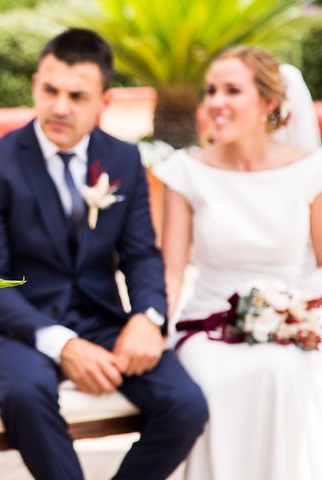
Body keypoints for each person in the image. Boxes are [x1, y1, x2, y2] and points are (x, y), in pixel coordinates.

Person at [0, 28, 208, 480]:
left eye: (77, 96)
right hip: (15, 328)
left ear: (104, 102)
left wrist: (148, 318)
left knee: (186, 406)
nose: (60, 107)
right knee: (25, 393)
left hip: (102, 321)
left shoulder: (124, 160)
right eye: (50, 90)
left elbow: (141, 256)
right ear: (36, 84)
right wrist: (63, 344)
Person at [153, 45, 322, 480]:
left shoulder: (311, 171)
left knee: (285, 372)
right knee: (214, 382)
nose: (215, 103)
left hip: (295, 330)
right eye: (211, 90)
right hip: (207, 328)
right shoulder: (185, 171)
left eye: (232, 90)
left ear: (269, 102)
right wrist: (154, 332)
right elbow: (171, 271)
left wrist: (299, 321)